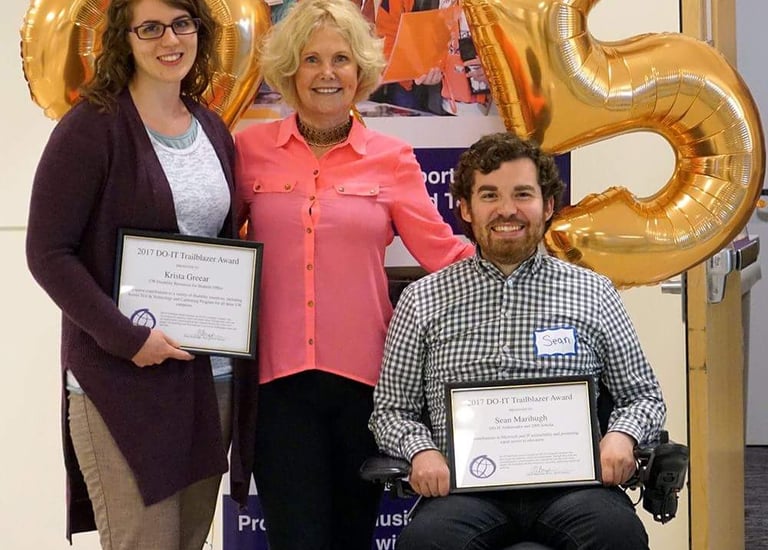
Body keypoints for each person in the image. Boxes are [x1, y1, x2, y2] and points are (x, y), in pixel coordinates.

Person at [232, 0, 475, 548]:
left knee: (350, 538)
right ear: (289, 69)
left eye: (340, 59)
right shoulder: (247, 150)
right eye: (311, 59)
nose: (326, 73)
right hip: (276, 387)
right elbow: (215, 248)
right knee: (297, 538)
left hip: (365, 388)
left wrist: (537, 275)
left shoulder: (392, 158)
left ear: (361, 71)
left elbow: (443, 253)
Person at [25, 0, 255, 547]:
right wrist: (128, 339)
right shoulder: (90, 128)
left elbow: (221, 243)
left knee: (189, 540)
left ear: (199, 32)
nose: (168, 39)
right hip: (121, 383)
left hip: (209, 380)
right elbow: (48, 253)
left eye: (181, 24)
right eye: (149, 28)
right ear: (122, 39)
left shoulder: (212, 127)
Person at [369, 132, 667, 550]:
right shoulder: (423, 299)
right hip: (464, 492)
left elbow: (644, 397)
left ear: (547, 206)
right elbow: (391, 411)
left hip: (575, 490)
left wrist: (621, 437)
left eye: (522, 194)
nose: (506, 210)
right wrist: (421, 453)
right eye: (489, 195)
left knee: (616, 536)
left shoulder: (594, 293)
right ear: (465, 209)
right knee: (427, 543)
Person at [374, 0, 491, 115]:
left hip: (492, 105)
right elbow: (386, 37)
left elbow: (508, 41)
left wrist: (499, 70)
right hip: (432, 100)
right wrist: (414, 70)